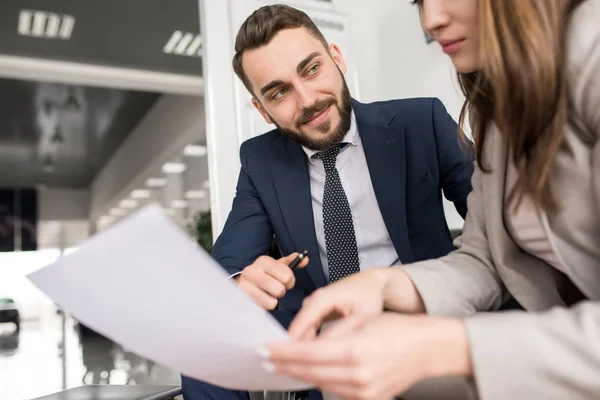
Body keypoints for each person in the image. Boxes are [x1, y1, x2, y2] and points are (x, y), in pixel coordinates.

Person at [264, 0, 600, 399]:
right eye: (420, 1)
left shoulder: (590, 45)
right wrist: (383, 284)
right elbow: (485, 258)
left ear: (337, 60)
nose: (430, 20)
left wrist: (445, 345)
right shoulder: (496, 103)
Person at [182, 4, 474, 400]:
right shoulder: (260, 160)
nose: (307, 99)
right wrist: (241, 285)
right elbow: (228, 267)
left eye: (311, 69)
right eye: (279, 91)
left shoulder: (420, 122)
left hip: (417, 317)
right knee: (204, 333)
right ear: (262, 110)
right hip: (323, 339)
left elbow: (496, 222)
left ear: (337, 59)